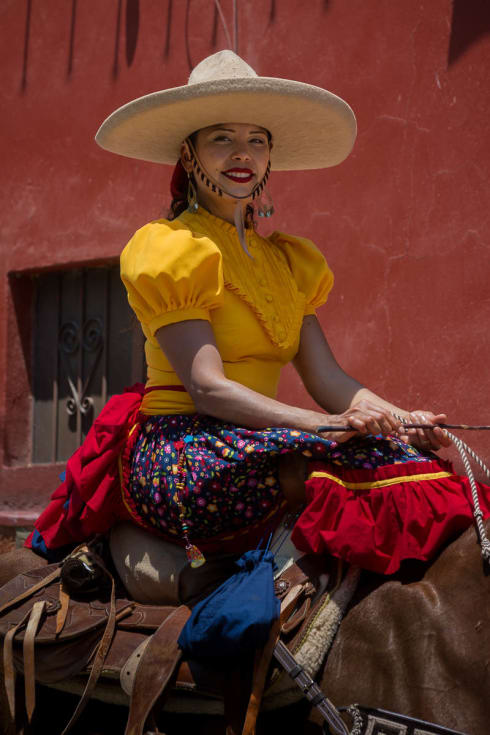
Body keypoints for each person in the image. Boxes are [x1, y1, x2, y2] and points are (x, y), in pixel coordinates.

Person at [26, 50, 489, 576]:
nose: (242, 153)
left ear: (270, 156)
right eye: (222, 138)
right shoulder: (172, 248)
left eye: (257, 140)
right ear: (189, 152)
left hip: (261, 441)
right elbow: (207, 388)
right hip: (183, 451)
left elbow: (329, 379)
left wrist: (404, 420)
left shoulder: (289, 263)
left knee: (422, 463)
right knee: (340, 468)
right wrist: (325, 426)